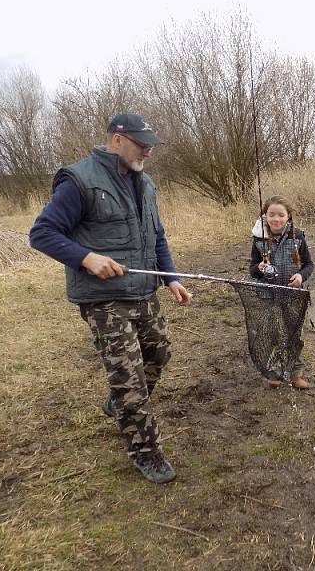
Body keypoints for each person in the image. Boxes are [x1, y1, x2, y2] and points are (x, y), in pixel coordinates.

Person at [29, 113, 192, 484]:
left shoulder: (146, 183)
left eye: (150, 146)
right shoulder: (79, 181)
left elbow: (157, 236)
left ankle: (117, 404)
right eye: (141, 144)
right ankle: (146, 452)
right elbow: (42, 233)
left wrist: (172, 280)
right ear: (116, 140)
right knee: (129, 378)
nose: (147, 152)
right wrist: (86, 258)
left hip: (144, 290)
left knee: (159, 354)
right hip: (104, 300)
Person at [249, 195, 314, 389]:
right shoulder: (258, 240)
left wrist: (301, 277)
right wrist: (260, 268)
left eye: (281, 215)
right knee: (273, 334)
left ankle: (296, 374)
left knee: (296, 335)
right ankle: (274, 373)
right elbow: (252, 270)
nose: (276, 219)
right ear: (264, 216)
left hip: (294, 296)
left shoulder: (299, 237)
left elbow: (309, 265)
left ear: (288, 217)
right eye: (271, 215)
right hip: (268, 296)